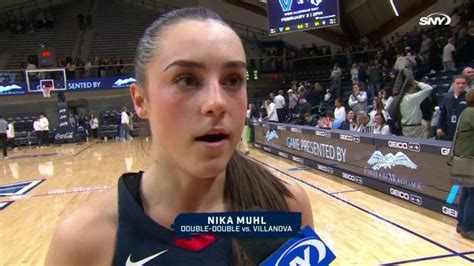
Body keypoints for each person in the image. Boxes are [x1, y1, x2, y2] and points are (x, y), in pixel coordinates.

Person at [45, 8, 313, 266]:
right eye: (187, 79)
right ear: (140, 100)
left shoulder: (286, 206)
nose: (216, 102)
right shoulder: (84, 240)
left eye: (232, 80)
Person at [450, 89, 474, 240]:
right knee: (473, 194)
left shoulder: (465, 112)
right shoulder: (472, 113)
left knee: (467, 192)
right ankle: (468, 227)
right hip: (470, 158)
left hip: (463, 158)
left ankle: (461, 224)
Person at [437, 75, 467, 141]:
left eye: (463, 83)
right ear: (453, 84)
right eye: (458, 83)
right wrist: (439, 127)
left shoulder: (468, 97)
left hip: (463, 131)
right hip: (449, 131)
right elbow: (442, 114)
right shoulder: (447, 97)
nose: (461, 85)